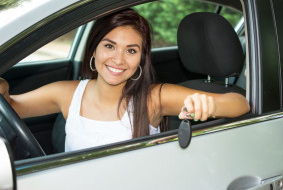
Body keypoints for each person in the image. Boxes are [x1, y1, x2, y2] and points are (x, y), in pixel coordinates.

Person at [0, 9, 250, 151]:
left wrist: (209, 105)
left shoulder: (154, 98)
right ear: (94, 50)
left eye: (131, 50)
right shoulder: (65, 93)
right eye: (109, 46)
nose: (118, 60)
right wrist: (5, 89)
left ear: (141, 58)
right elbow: (11, 107)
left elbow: (241, 104)